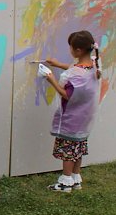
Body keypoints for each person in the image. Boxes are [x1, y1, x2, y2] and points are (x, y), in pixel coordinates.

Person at [38, 30, 101, 192]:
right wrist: (58, 64)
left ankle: (65, 182)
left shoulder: (76, 76)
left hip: (72, 119)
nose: (70, 50)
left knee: (67, 152)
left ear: (78, 50)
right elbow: (77, 68)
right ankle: (76, 177)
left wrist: (50, 78)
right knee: (77, 149)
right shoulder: (94, 64)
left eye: (71, 48)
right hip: (84, 119)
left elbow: (66, 94)